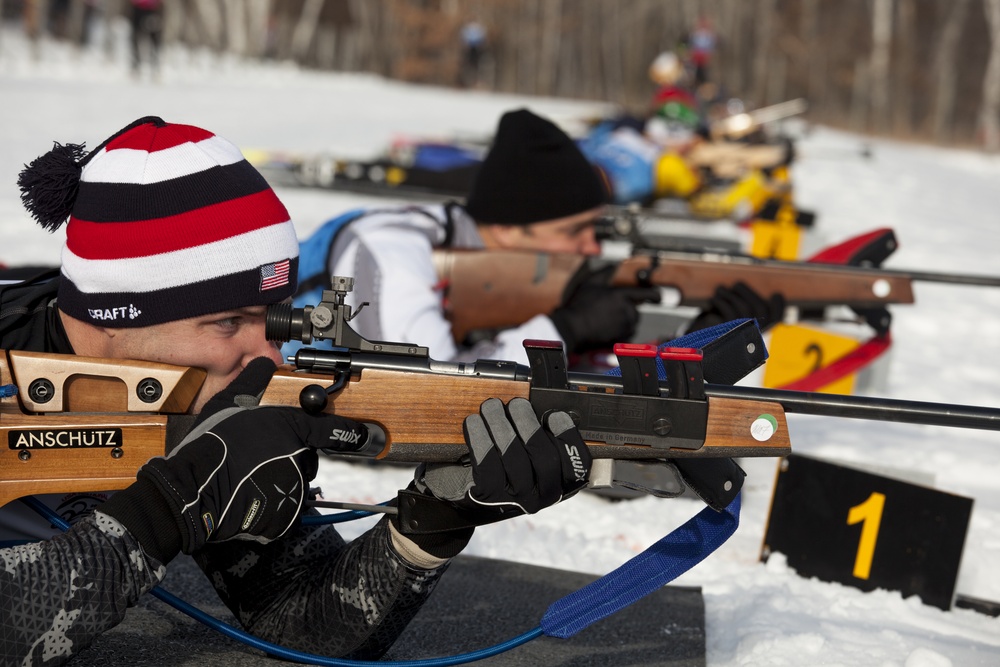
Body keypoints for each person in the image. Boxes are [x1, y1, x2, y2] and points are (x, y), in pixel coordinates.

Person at [0, 116, 593, 664]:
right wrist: (164, 510)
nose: (269, 357)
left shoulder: (186, 401)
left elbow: (298, 622)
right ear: (115, 313)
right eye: (228, 323)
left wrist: (429, 524)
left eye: (273, 320)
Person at [296, 108, 663, 367]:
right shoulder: (389, 247)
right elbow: (427, 389)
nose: (593, 247)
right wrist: (565, 329)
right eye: (573, 231)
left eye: (595, 230)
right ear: (505, 228)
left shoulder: (484, 265)